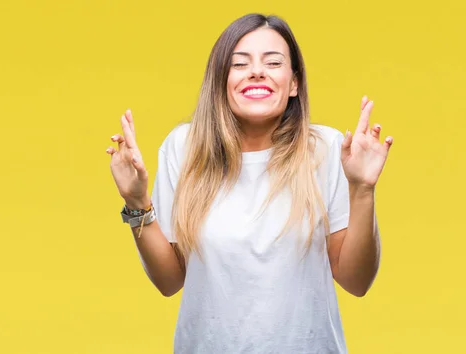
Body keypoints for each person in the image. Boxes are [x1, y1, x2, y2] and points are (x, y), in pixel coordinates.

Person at [106, 13, 393, 354]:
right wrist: (137, 201)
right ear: (220, 81)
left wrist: (362, 189)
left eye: (273, 62)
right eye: (239, 64)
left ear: (294, 83)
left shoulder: (328, 150)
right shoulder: (183, 149)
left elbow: (356, 282)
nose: (257, 72)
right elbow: (170, 281)